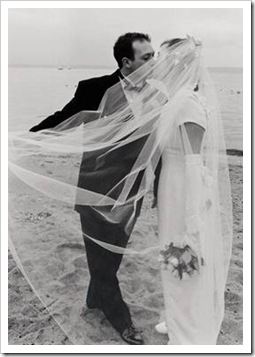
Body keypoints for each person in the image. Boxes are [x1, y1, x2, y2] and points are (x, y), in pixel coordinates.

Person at [29, 32, 155, 345]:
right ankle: (120, 318)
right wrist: (29, 137)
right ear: (127, 62)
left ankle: (96, 297)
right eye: (147, 57)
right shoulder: (94, 88)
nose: (154, 63)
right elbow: (64, 118)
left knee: (113, 252)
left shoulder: (155, 94)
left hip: (131, 189)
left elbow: (159, 142)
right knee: (99, 253)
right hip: (95, 186)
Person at [153, 37, 233, 344]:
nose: (157, 64)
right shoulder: (177, 98)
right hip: (172, 187)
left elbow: (192, 163)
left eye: (161, 58)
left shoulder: (187, 103)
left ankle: (187, 333)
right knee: (171, 254)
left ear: (176, 65)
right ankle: (177, 318)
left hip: (184, 190)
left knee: (186, 253)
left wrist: (193, 218)